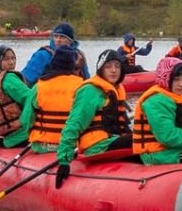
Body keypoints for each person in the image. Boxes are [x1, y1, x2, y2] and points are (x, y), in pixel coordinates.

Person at [54, 49, 132, 188]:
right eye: (108, 66)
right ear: (101, 69)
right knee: (144, 138)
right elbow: (74, 125)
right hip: (97, 146)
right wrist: (64, 161)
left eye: (117, 66)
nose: (113, 70)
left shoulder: (117, 89)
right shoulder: (90, 90)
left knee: (145, 137)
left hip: (112, 140)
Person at [21, 45, 86, 154]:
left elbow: (26, 120)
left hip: (42, 146)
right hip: (73, 145)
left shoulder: (39, 86)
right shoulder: (82, 85)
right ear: (72, 65)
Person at [20, 22, 90, 84]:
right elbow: (26, 79)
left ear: (71, 40)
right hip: (47, 94)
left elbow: (86, 80)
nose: (58, 40)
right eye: (56, 36)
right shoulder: (43, 55)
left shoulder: (79, 57)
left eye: (62, 37)